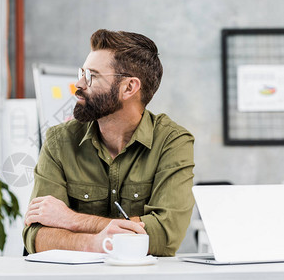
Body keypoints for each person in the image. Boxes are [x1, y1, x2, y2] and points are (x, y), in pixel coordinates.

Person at [23, 29, 195, 256]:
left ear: (129, 88)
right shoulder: (59, 140)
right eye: (82, 72)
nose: (78, 84)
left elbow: (164, 235)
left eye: (92, 76)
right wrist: (93, 243)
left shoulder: (172, 142)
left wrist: (70, 220)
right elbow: (36, 236)